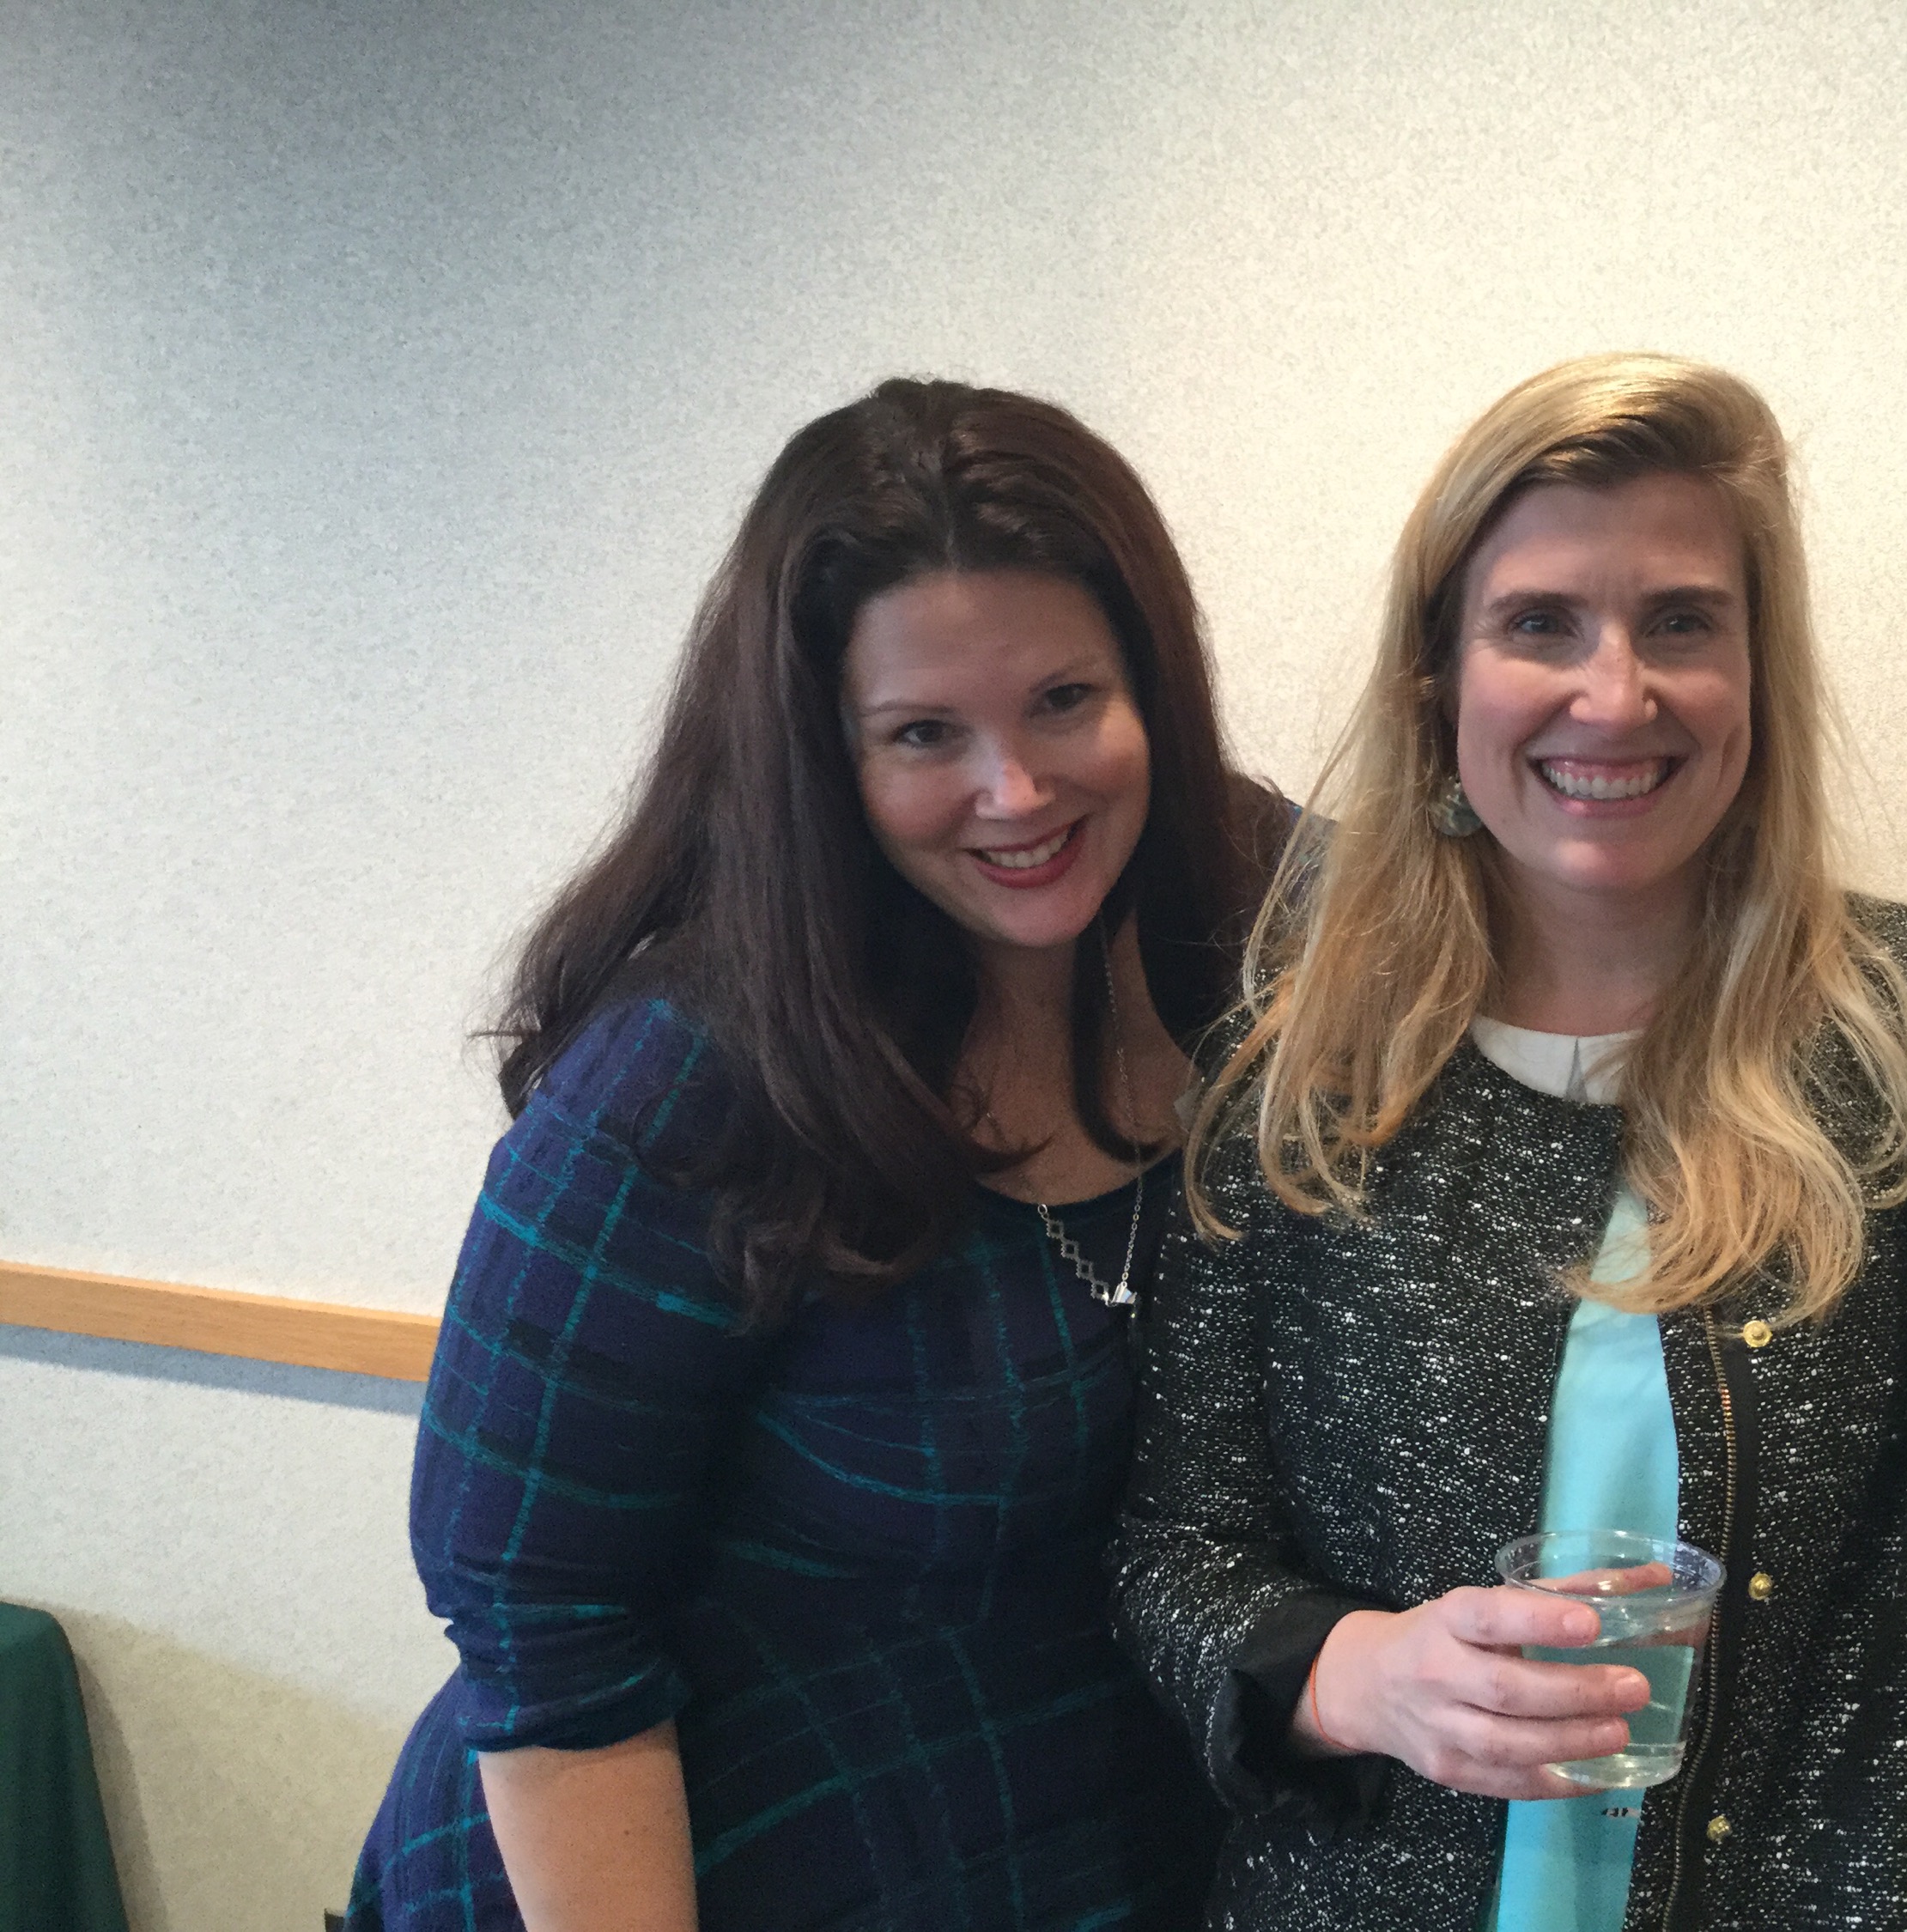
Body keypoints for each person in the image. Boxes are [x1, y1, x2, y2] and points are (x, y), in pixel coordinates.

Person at [1114, 353, 1907, 1930]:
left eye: (1684, 623)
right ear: (1436, 685)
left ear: (1760, 673)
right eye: (1540, 624)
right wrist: (1352, 1671)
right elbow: (1175, 1546)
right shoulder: (1301, 1080)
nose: (1615, 693)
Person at [344, 378, 1281, 1932]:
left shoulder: (1245, 917)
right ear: (820, 760)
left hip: (1079, 1847)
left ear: (1154, 687)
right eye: (924, 734)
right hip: (683, 1872)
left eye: (1065, 699)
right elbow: (545, 1628)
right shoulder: (688, 1076)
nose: (1017, 790)